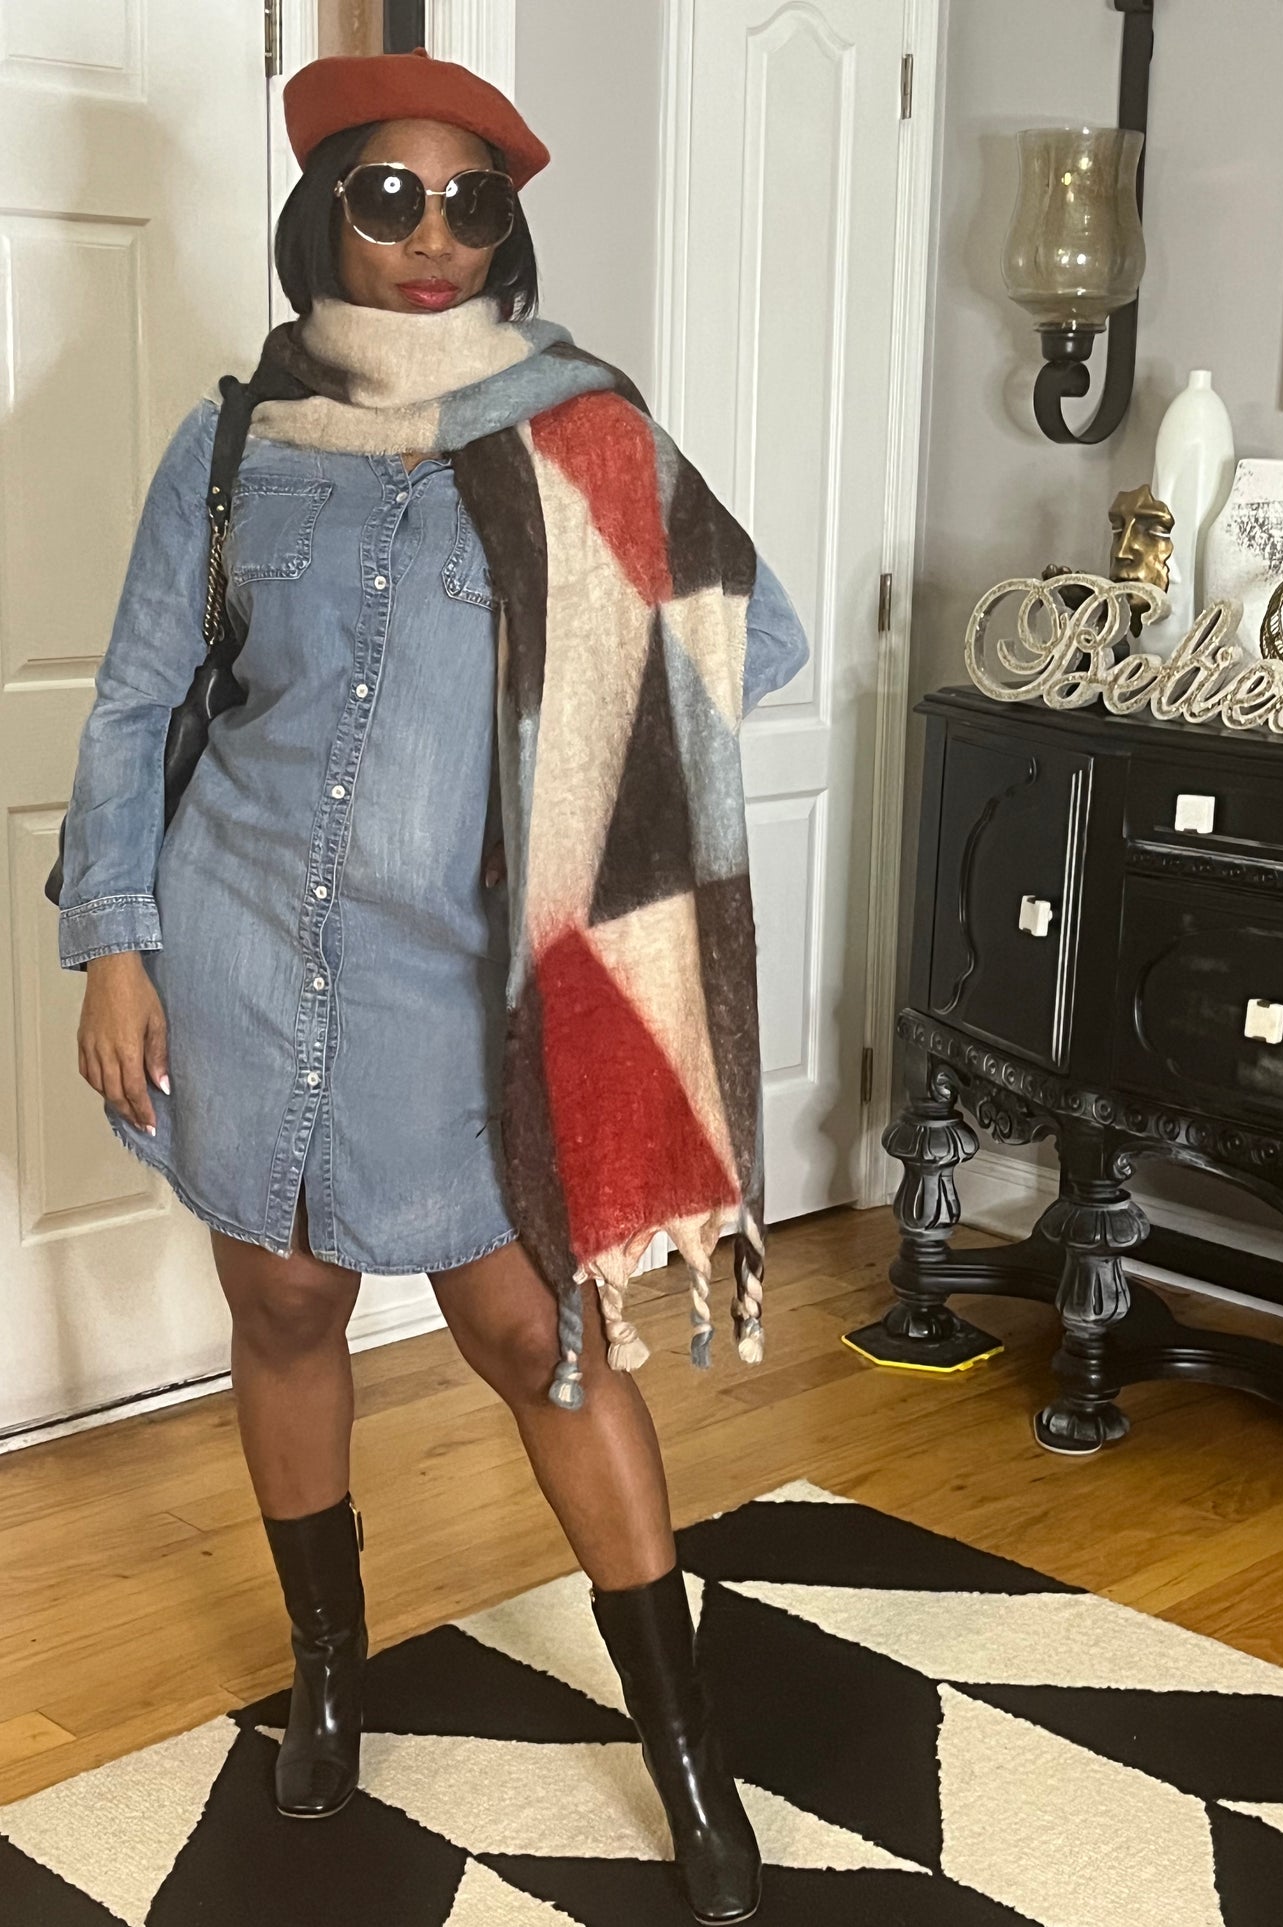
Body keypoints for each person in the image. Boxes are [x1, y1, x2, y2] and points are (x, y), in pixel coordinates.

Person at [55, 48, 808, 1927]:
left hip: (466, 990)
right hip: (236, 947)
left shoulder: (580, 431)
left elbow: (749, 636)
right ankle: (329, 1680)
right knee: (286, 1300)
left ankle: (686, 1763)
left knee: (534, 1341)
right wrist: (117, 943)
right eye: (389, 195)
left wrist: (571, 805)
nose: (432, 233)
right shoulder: (232, 448)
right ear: (325, 211)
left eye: (472, 202)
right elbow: (139, 705)